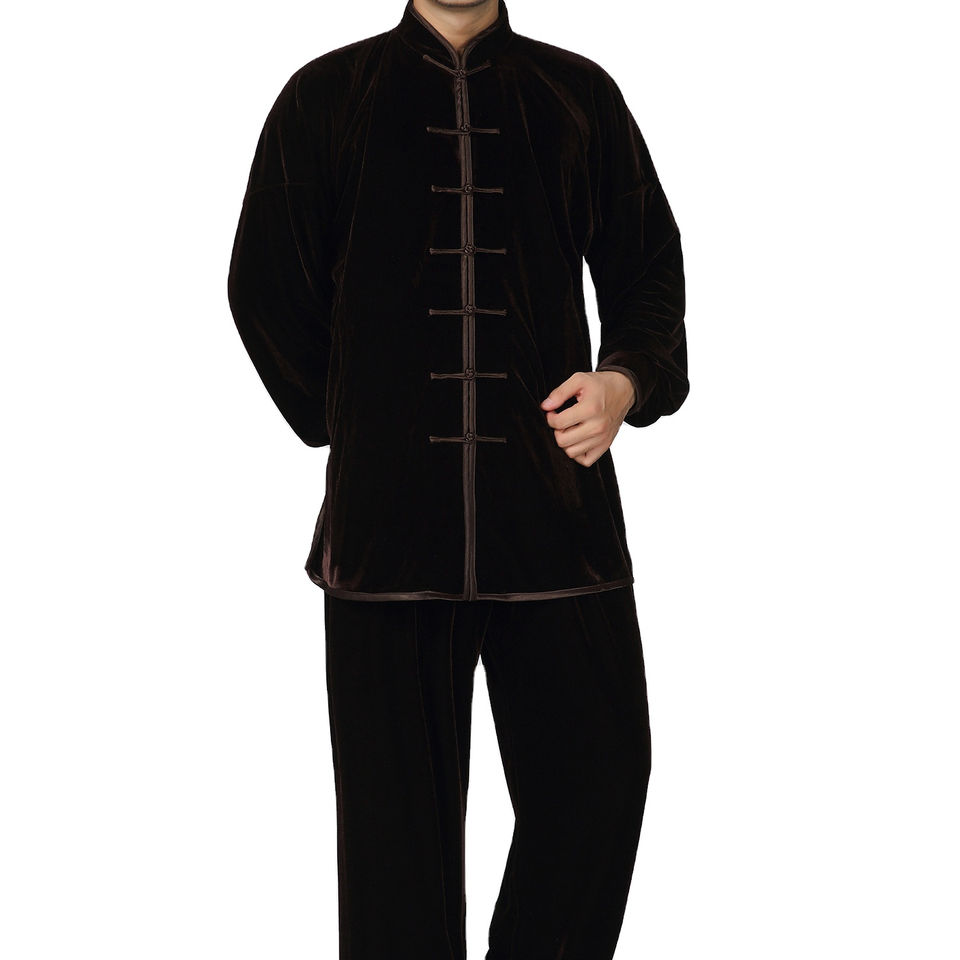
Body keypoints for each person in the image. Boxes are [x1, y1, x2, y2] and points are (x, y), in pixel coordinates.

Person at [227, 1, 689, 957]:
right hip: (386, 547)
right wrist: (353, 421)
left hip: (559, 527)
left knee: (600, 789)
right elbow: (263, 283)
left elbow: (649, 271)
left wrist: (625, 380)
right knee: (397, 865)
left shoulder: (578, 94)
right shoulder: (325, 96)